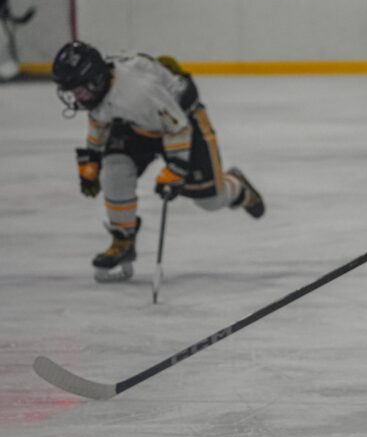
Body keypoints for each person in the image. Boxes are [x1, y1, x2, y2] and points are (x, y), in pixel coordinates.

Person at [52, 40, 265, 282]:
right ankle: (123, 239)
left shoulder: (137, 92)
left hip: (183, 121)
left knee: (210, 200)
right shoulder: (102, 88)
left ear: (94, 80)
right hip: (139, 125)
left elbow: (178, 128)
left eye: (78, 90)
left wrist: (176, 167)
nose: (76, 97)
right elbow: (100, 116)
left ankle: (237, 187)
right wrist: (92, 157)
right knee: (114, 169)